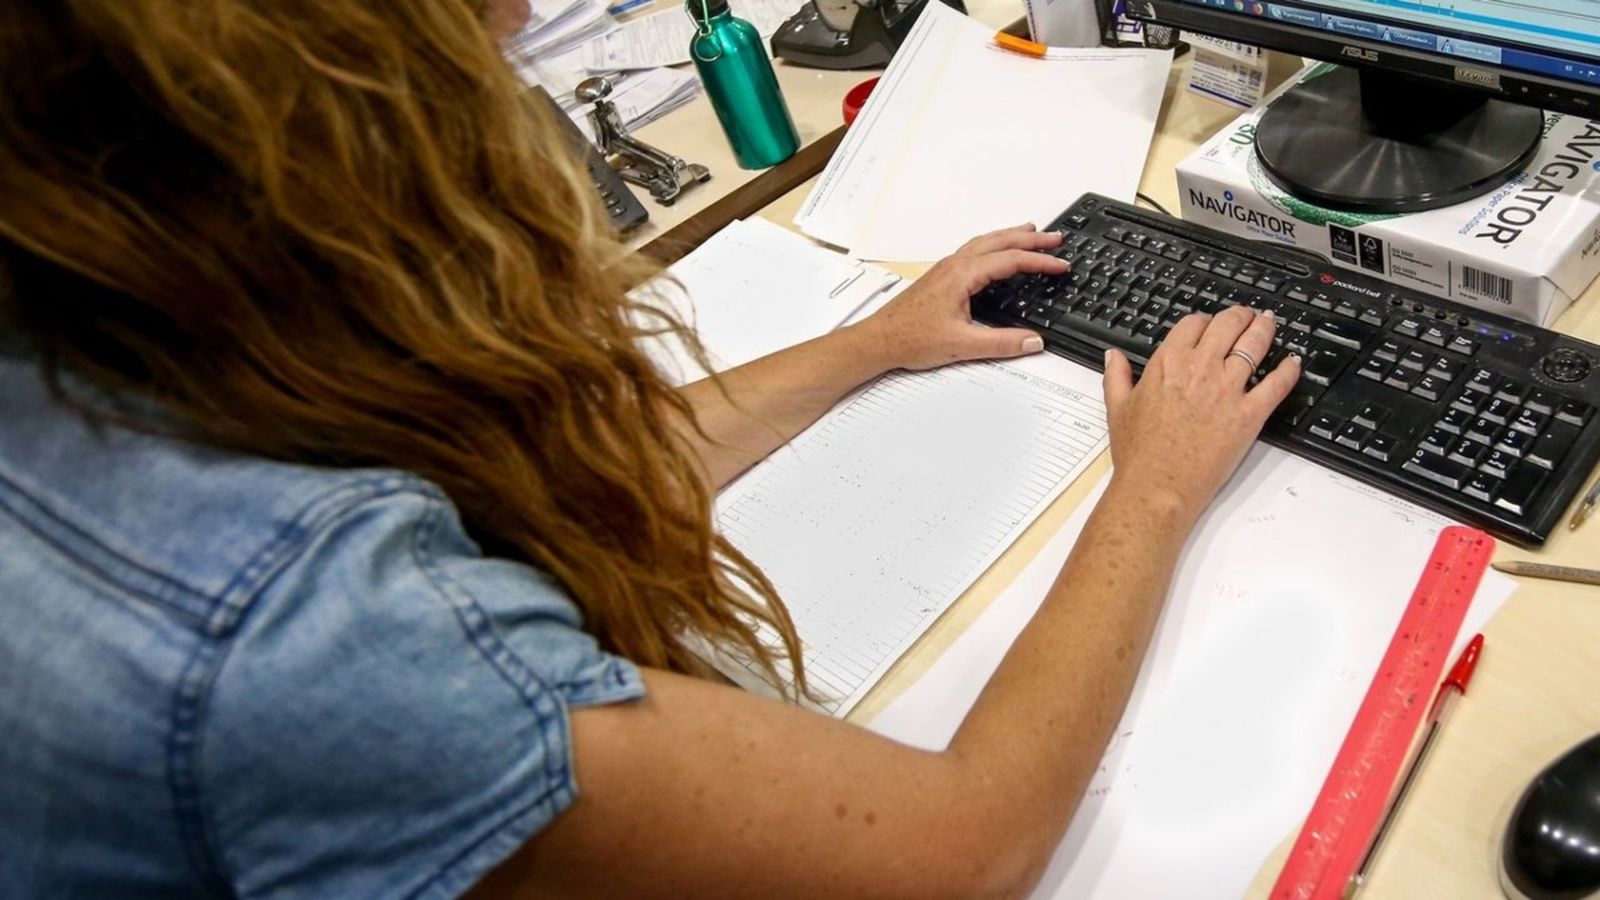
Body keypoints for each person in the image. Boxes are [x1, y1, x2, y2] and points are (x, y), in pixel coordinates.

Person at [0, 1, 1301, 897]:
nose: (522, 29)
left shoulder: (89, 358)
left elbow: (570, 469)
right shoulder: (311, 643)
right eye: (473, 44)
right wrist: (1155, 487)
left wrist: (873, 342)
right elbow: (963, 847)